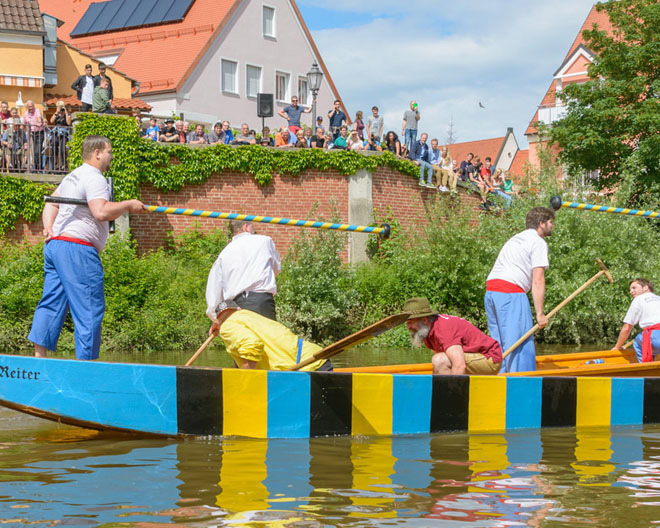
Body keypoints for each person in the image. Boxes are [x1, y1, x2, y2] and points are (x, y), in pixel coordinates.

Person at [28, 135, 145, 360]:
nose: (112, 156)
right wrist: (128, 205)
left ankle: (38, 359)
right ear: (98, 153)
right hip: (77, 250)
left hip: (56, 246)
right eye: (109, 151)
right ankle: (87, 368)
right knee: (89, 307)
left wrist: (49, 228)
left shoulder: (73, 176)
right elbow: (100, 211)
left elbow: (51, 203)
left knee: (52, 301)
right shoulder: (95, 178)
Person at [484, 207, 555, 373]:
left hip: (491, 293)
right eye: (551, 222)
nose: (553, 226)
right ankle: (519, 385)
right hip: (511, 293)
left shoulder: (515, 239)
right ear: (541, 223)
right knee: (519, 345)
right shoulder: (538, 242)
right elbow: (538, 279)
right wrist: (540, 314)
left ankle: (499, 382)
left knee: (499, 345)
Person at [208, 302, 332, 371]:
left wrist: (246, 381)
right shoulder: (249, 316)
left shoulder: (227, 326)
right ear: (238, 309)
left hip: (308, 367)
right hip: (314, 359)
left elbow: (251, 344)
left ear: (217, 319)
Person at [206, 220, 281, 321]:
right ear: (245, 227)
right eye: (252, 228)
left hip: (236, 309)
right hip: (262, 302)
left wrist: (217, 319)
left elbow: (213, 297)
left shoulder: (224, 254)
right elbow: (276, 269)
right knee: (265, 337)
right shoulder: (264, 241)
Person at [404, 297, 502, 375]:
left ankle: (449, 398)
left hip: (489, 359)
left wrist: (453, 394)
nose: (408, 327)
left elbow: (459, 365)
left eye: (410, 322)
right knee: (439, 359)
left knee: (440, 360)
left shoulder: (444, 330)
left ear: (425, 320)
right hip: (472, 357)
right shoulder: (426, 329)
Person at [612, 278, 660, 362]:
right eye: (630, 289)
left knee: (638, 342)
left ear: (645, 288)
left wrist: (617, 347)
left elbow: (627, 328)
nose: (631, 291)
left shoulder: (639, 299)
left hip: (655, 338)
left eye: (634, 288)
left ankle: (647, 372)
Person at [22, 100, 45, 171]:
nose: (31, 108)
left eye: (32, 106)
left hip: (39, 133)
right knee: (33, 151)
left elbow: (39, 118)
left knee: (37, 151)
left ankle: (39, 168)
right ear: (27, 107)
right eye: (29, 107)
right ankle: (36, 168)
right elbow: (23, 123)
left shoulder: (37, 110)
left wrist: (39, 122)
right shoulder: (26, 114)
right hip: (31, 134)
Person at [49, 101, 71, 171]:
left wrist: (66, 112)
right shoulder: (56, 114)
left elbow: (68, 123)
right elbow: (51, 121)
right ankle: (54, 165)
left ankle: (63, 165)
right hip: (56, 132)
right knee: (54, 148)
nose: (60, 109)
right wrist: (56, 112)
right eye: (59, 107)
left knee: (62, 149)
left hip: (64, 133)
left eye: (61, 107)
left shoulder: (66, 114)